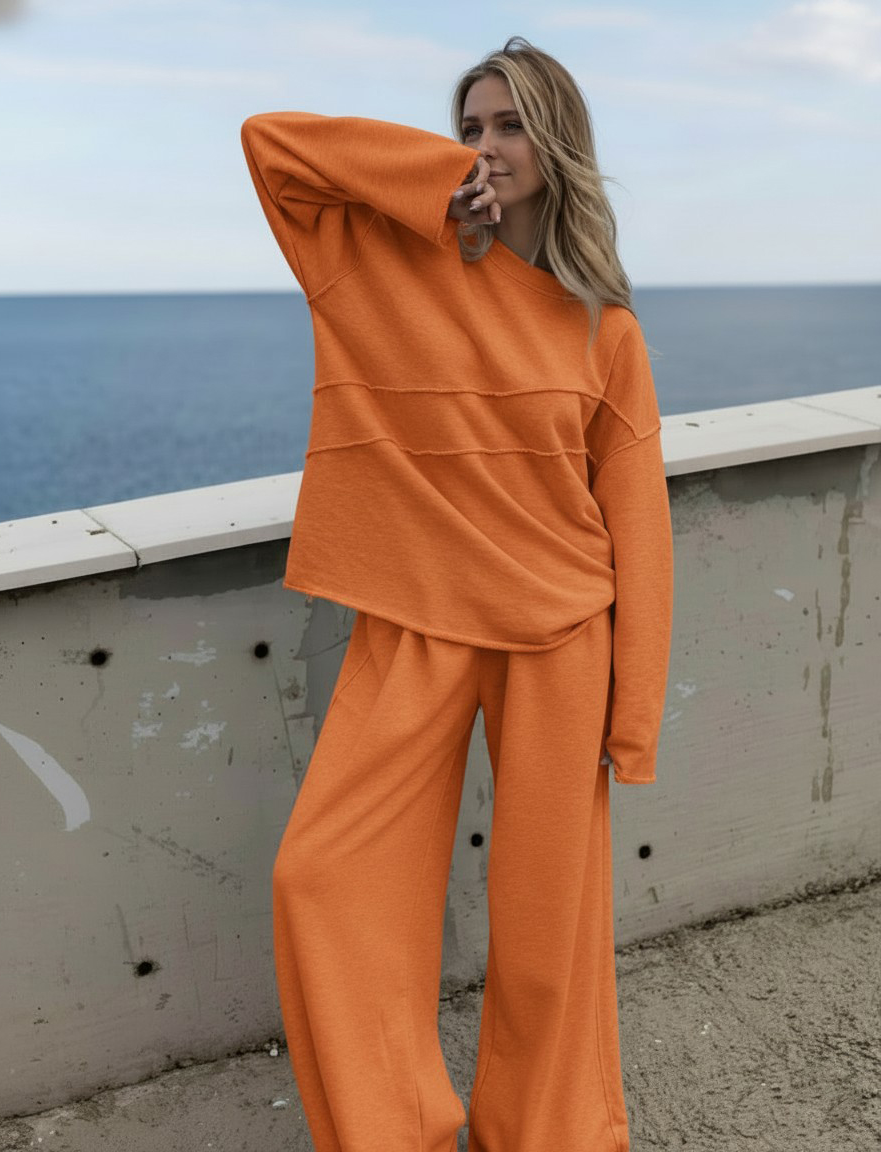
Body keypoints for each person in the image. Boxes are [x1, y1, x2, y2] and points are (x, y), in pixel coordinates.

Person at [241, 34, 673, 1152]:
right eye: (470, 126)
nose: (485, 145)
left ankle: (548, 1135)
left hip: (558, 633)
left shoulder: (605, 329)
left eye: (510, 125)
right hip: (415, 622)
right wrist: (431, 186)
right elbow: (272, 146)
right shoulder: (379, 262)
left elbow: (637, 526)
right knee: (320, 881)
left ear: (558, 143)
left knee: (545, 939)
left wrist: (631, 720)